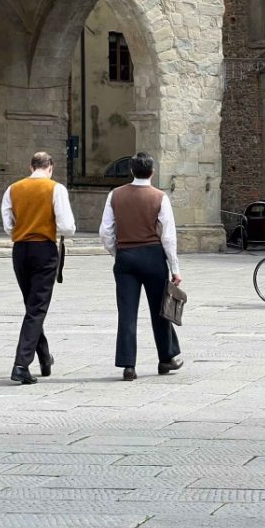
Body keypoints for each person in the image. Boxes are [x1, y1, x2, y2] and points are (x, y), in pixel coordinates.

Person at [99, 152, 183, 382]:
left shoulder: (115, 195)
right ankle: (166, 357)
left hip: (126, 256)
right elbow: (168, 237)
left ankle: (128, 365)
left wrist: (118, 252)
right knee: (160, 309)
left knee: (127, 312)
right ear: (152, 172)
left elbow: (105, 232)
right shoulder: (159, 197)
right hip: (153, 256)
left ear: (132, 171)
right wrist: (174, 267)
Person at [1, 152, 76, 384]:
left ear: (30, 166)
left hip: (20, 250)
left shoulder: (13, 189)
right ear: (50, 167)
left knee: (32, 304)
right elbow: (67, 227)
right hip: (44, 249)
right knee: (37, 307)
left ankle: (44, 357)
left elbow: (8, 226)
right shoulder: (56, 189)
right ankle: (21, 364)